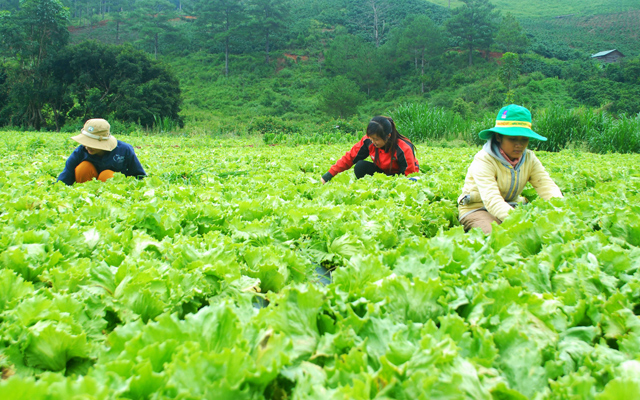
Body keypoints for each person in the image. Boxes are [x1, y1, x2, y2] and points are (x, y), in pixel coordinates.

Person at [458, 104, 563, 234]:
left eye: (524, 139)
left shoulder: (529, 158)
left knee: (547, 230)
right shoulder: (484, 159)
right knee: (493, 234)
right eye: (512, 139)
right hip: (478, 208)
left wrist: (561, 209)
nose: (519, 145)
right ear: (498, 137)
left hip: (512, 206)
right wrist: (519, 221)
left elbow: (546, 186)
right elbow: (492, 199)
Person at [321, 116, 419, 184]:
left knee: (413, 180)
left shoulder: (403, 147)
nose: (373, 142)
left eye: (376, 139)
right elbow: (350, 158)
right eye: (371, 138)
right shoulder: (368, 141)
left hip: (399, 176)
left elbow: (409, 174)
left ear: (388, 136)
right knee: (360, 166)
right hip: (383, 174)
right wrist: (327, 176)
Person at [57, 118, 146, 185]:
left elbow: (139, 176)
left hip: (113, 194)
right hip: (86, 193)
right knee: (83, 168)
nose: (87, 147)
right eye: (86, 143)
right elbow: (65, 177)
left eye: (92, 144)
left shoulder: (124, 150)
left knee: (107, 175)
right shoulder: (80, 152)